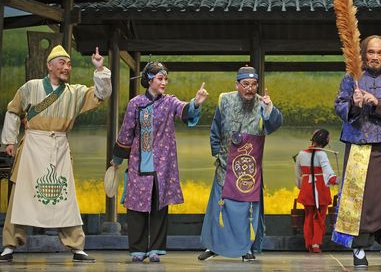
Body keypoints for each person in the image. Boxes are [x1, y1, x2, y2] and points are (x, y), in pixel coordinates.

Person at [0, 45, 111, 263]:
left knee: (65, 196)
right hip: (33, 145)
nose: (66, 67)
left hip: (59, 146)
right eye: (61, 63)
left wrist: (100, 70)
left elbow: (101, 93)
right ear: (49, 66)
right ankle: (9, 245)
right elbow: (14, 110)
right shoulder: (31, 87)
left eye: (68, 64)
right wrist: (9, 141)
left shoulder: (75, 92)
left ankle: (77, 246)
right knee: (21, 196)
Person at [111, 61, 208, 263]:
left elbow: (185, 110)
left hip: (163, 165)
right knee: (137, 206)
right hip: (140, 162)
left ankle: (155, 249)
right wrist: (117, 159)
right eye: (160, 78)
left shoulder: (169, 102)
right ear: (149, 80)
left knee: (159, 206)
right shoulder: (135, 103)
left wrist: (196, 103)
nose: (164, 82)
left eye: (165, 79)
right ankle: (137, 249)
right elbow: (126, 132)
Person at [333, 35, 381, 267]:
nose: (375, 57)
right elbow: (339, 105)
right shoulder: (351, 78)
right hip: (358, 146)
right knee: (360, 200)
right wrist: (355, 104)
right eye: (371, 52)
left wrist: (377, 102)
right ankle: (358, 248)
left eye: (380, 53)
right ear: (363, 54)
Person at [198, 66, 283, 262]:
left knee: (246, 211)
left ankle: (246, 248)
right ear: (237, 85)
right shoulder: (225, 100)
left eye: (254, 85)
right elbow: (215, 129)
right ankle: (214, 247)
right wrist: (217, 154)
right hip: (226, 165)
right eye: (245, 84)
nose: (250, 89)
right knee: (219, 208)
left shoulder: (263, 104)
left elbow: (274, 125)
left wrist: (270, 108)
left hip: (248, 170)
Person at [294, 129, 337, 253]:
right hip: (320, 187)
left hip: (307, 187)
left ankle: (308, 242)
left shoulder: (301, 154)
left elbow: (298, 173)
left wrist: (300, 186)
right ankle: (316, 243)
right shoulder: (322, 154)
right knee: (319, 216)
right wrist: (334, 179)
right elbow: (327, 169)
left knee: (308, 216)